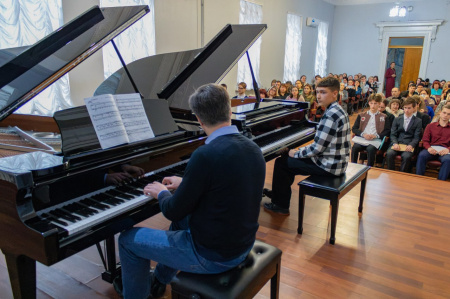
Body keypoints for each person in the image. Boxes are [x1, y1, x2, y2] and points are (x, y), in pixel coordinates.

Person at [116, 84, 266, 298]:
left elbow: (172, 210)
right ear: (229, 110)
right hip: (241, 244)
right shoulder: (252, 147)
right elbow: (223, 185)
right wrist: (186, 182)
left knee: (128, 240)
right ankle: (159, 281)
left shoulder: (205, 154)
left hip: (212, 256)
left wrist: (161, 192)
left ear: (198, 118)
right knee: (181, 223)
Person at [263, 77, 350, 215]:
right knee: (286, 159)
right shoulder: (337, 109)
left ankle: (281, 204)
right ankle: (279, 193)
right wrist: (295, 151)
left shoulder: (331, 115)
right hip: (336, 161)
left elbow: (316, 149)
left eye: (323, 92)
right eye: (317, 92)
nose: (318, 96)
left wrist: (294, 152)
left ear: (335, 93)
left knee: (282, 162)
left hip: (328, 166)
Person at [351, 93, 391, 166]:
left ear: (379, 104)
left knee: (370, 149)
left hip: (375, 140)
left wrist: (376, 136)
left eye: (375, 103)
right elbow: (354, 128)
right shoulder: (361, 115)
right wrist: (363, 134)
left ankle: (370, 167)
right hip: (362, 138)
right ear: (369, 103)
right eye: (371, 103)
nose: (373, 105)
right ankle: (353, 166)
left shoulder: (384, 117)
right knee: (355, 147)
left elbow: (387, 131)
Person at [386, 97, 422, 172]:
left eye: (409, 108)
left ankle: (401, 174)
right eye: (405, 108)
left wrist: (411, 145)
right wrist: (395, 143)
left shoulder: (418, 121)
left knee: (406, 156)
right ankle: (391, 173)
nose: (406, 110)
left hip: (409, 144)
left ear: (414, 108)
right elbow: (393, 134)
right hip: (397, 143)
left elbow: (416, 137)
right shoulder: (397, 119)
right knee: (389, 154)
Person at [416, 104, 450, 180]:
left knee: (448, 160)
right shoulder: (430, 126)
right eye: (444, 113)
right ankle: (418, 179)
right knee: (422, 155)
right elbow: (425, 140)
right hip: (432, 148)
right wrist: (429, 148)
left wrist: (448, 149)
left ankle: (441, 182)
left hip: (445, 151)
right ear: (440, 113)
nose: (445, 115)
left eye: (448, 114)